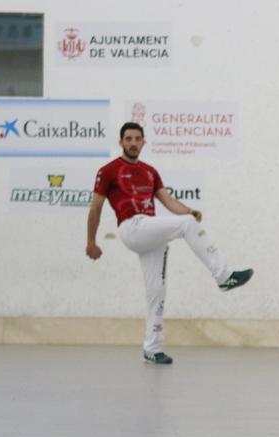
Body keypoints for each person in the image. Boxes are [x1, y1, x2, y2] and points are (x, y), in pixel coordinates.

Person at [86, 122, 253, 365]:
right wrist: (91, 241)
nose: (133, 143)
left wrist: (189, 211)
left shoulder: (150, 171)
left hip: (150, 234)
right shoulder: (108, 170)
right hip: (132, 228)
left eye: (137, 139)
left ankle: (152, 348)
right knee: (185, 224)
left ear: (144, 142)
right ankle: (224, 275)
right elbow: (96, 207)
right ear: (121, 142)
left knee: (157, 292)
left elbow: (166, 200)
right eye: (128, 139)